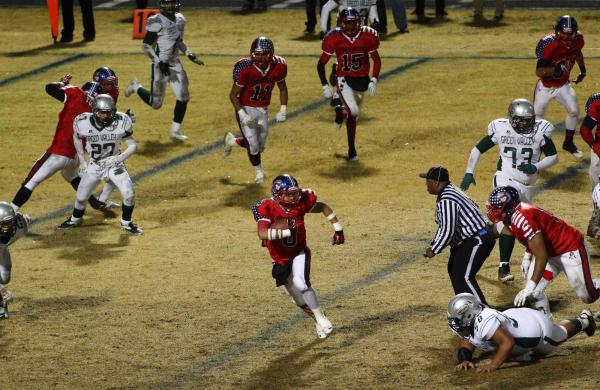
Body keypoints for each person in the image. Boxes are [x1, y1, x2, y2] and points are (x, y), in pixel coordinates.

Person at [460, 98, 558, 283]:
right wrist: (469, 173)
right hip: (505, 180)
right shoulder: (501, 128)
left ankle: (477, 235)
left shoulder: (539, 131)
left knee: (517, 224)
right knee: (511, 223)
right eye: (519, 119)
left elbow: (553, 156)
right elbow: (477, 149)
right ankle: (503, 266)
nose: (523, 123)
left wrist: (537, 167)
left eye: (527, 119)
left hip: (527, 186)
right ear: (511, 117)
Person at [251, 174, 345, 339]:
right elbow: (262, 233)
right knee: (295, 298)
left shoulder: (301, 202)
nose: (294, 197)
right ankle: (316, 319)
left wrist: (338, 229)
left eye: (295, 192)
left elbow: (323, 206)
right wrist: (287, 231)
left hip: (299, 251)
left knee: (301, 283)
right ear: (278, 194)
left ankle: (321, 317)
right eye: (290, 194)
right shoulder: (267, 207)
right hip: (279, 258)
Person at [487, 186, 600, 317]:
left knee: (588, 296)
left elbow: (541, 256)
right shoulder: (513, 216)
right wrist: (527, 256)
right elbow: (536, 237)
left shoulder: (522, 218)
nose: (492, 211)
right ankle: (546, 326)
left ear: (508, 205)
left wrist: (529, 286)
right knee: (534, 294)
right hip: (549, 250)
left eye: (496, 208)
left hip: (569, 248)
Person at [10, 76, 116, 214]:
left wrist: (63, 83)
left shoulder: (77, 93)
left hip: (59, 153)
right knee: (70, 175)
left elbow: (49, 88)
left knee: (31, 181)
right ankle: (94, 202)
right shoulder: (99, 113)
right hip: (76, 157)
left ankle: (10, 213)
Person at [58, 95, 143, 235]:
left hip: (114, 163)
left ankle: (127, 223)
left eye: (108, 112)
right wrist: (82, 161)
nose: (105, 115)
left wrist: (119, 158)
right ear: (94, 110)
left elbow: (132, 145)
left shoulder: (121, 121)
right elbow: (77, 139)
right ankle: (75, 219)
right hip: (95, 164)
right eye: (101, 112)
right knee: (81, 198)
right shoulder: (83, 122)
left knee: (129, 194)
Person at [447, 293, 596, 373]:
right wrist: (465, 359)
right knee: (516, 351)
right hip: (517, 319)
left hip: (536, 330)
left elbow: (507, 343)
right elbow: (468, 341)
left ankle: (584, 320)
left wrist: (493, 365)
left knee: (559, 334)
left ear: (469, 314)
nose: (456, 322)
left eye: (458, 318)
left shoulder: (483, 321)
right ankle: (522, 353)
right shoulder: (475, 321)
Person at [124, 0, 204, 141]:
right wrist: (158, 62)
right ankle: (136, 86)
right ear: (161, 5)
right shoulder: (156, 21)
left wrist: (190, 54)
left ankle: (175, 131)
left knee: (183, 96)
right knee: (156, 104)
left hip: (174, 63)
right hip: (160, 65)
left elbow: (178, 41)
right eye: (167, 3)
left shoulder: (180, 19)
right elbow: (146, 46)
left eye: (172, 3)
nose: (170, 6)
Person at [421, 166, 495, 305]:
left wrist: (434, 249)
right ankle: (469, 308)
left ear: (436, 183)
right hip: (474, 237)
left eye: (428, 181)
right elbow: (445, 226)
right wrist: (434, 243)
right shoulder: (451, 190)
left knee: (464, 276)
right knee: (455, 270)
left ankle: (484, 314)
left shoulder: (447, 199)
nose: (426, 185)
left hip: (476, 239)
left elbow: (448, 229)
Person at [318, 7, 381, 161]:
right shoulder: (333, 37)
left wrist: (374, 79)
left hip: (361, 80)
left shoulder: (368, 35)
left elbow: (377, 60)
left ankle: (341, 113)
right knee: (353, 111)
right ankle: (352, 150)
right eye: (348, 23)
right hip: (344, 77)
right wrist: (325, 85)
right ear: (341, 23)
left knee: (354, 115)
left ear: (359, 22)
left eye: (354, 23)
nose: (351, 27)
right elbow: (320, 64)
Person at [223, 37, 288, 184]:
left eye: (263, 54)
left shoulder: (279, 66)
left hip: (263, 109)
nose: (259, 57)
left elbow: (282, 87)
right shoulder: (245, 68)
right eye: (257, 53)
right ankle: (259, 171)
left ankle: (232, 141)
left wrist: (283, 109)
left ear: (270, 54)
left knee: (260, 145)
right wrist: (242, 114)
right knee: (253, 143)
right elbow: (233, 95)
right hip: (246, 107)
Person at [534, 15, 586, 158]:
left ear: (575, 32)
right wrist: (554, 70)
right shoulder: (548, 43)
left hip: (563, 84)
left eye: (570, 33)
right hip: (545, 86)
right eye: (564, 33)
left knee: (574, 111)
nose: (567, 36)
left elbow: (577, 52)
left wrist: (583, 70)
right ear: (557, 31)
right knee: (538, 116)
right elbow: (539, 71)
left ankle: (568, 142)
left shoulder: (578, 40)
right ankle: (537, 146)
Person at [0, 202, 30, 319]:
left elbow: (25, 219)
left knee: (4, 278)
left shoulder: (21, 224)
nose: (8, 227)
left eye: (9, 223)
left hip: (2, 250)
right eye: (4, 224)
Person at [579, 92, 600, 237]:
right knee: (597, 185)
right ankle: (597, 215)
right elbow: (585, 129)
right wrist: (593, 144)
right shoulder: (598, 104)